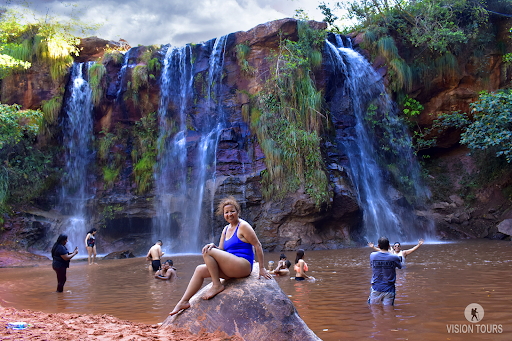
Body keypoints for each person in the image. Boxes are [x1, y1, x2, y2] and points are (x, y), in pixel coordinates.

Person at [169, 196, 272, 316]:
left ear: (238, 211)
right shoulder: (225, 229)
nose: (230, 214)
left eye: (232, 211)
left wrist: (262, 268)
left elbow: (258, 245)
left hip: (243, 266)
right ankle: (183, 301)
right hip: (231, 267)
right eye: (226, 212)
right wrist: (213, 245)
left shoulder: (243, 226)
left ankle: (217, 285)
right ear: (223, 214)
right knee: (200, 269)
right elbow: (221, 250)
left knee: (207, 252)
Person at [368, 236, 401, 305]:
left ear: (378, 246)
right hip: (389, 289)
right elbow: (400, 267)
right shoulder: (394, 257)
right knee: (389, 311)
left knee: (374, 310)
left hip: (376, 288)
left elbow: (372, 265)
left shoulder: (372, 255)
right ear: (389, 246)